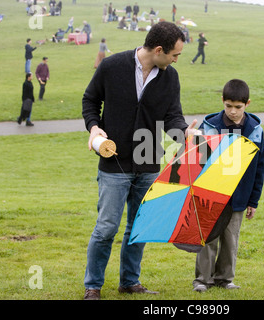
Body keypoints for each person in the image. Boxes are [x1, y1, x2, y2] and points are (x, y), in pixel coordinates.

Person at [82, 21, 199, 300]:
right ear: (159, 50)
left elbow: (172, 116)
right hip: (114, 163)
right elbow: (90, 100)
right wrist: (93, 127)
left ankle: (129, 281)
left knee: (139, 226)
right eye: (174, 55)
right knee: (107, 226)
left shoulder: (170, 77)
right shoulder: (112, 66)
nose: (175, 60)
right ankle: (93, 286)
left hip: (148, 161)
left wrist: (185, 132)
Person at [193, 79, 264, 292]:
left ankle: (225, 278)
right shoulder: (210, 127)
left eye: (238, 107)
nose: (233, 111)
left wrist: (253, 200)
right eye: (228, 106)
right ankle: (202, 280)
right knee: (208, 237)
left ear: (247, 104)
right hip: (211, 194)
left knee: (231, 238)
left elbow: (259, 167)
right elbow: (197, 161)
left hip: (239, 196)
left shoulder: (255, 130)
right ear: (222, 101)